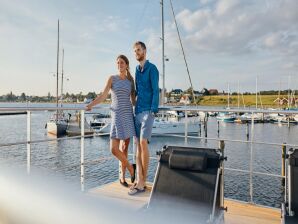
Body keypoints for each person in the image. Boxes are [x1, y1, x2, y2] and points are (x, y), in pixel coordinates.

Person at [86, 55, 136, 187]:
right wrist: (91, 105)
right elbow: (103, 96)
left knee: (124, 148)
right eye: (118, 63)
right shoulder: (112, 78)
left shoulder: (131, 81)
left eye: (122, 62)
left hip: (127, 115)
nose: (119, 65)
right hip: (116, 115)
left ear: (126, 65)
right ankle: (131, 168)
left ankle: (122, 178)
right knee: (114, 149)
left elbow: (134, 100)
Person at [128, 41, 159, 195]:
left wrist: (153, 111)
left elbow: (155, 90)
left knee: (142, 143)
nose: (136, 53)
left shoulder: (152, 69)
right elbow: (137, 91)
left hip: (148, 112)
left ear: (145, 51)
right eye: (134, 51)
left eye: (138, 50)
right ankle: (139, 180)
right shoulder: (136, 69)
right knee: (137, 147)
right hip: (138, 110)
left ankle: (142, 182)